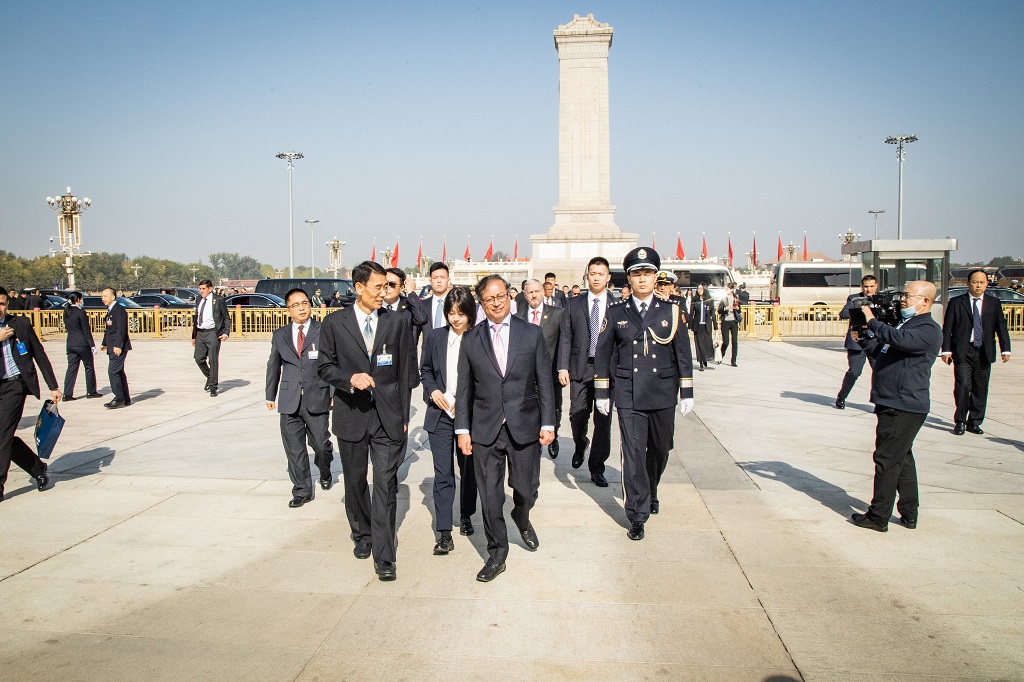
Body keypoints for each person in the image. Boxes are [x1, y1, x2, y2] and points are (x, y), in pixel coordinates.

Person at [318, 260, 415, 582]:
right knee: (356, 481)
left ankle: (384, 555)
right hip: (351, 415)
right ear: (359, 288)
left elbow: (405, 374)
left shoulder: (397, 321)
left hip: (387, 416)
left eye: (388, 287)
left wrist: (402, 415)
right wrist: (349, 378)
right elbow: (325, 368)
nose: (384, 293)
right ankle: (362, 535)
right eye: (378, 287)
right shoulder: (334, 324)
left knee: (386, 484)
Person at [456, 275, 555, 582]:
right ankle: (497, 553)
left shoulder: (531, 334)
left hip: (524, 424)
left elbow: (544, 382)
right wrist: (463, 430)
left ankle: (522, 515)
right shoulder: (471, 339)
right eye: (489, 299)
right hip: (485, 428)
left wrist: (548, 422)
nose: (496, 303)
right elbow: (464, 389)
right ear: (481, 303)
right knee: (490, 495)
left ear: (511, 297)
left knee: (526, 489)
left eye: (501, 297)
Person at [594, 247, 694, 540]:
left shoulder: (671, 311)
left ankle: (651, 488)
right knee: (634, 454)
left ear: (655, 277)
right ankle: (637, 513)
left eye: (647, 273)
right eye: (636, 274)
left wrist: (686, 391)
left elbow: (682, 354)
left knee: (661, 449)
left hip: (662, 391)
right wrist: (603, 391)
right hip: (629, 393)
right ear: (629, 279)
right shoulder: (615, 313)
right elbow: (603, 354)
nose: (642, 279)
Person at [850, 281, 941, 531]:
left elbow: (898, 339)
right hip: (892, 400)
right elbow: (885, 352)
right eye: (902, 295)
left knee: (887, 459)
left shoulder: (927, 329)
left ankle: (878, 516)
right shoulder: (906, 325)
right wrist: (864, 340)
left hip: (904, 404)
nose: (902, 300)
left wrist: (872, 321)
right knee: (902, 458)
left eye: (908, 296)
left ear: (925, 302)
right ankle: (909, 512)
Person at [420, 286, 479, 553]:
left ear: (470, 313)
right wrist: (433, 391)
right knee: (443, 474)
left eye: (461, 313)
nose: (456, 319)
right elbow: (426, 370)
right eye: (451, 313)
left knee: (468, 471)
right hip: (440, 416)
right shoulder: (434, 337)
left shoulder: (480, 337)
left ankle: (466, 514)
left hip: (470, 417)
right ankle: (444, 531)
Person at [266, 288, 335, 508]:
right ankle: (301, 490)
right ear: (288, 310)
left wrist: (333, 393)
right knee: (294, 449)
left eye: (304, 303)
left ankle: (325, 470)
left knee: (322, 445)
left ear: (310, 305)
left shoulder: (323, 331)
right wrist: (270, 395)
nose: (301, 308)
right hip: (289, 399)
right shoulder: (280, 335)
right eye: (296, 305)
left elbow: (333, 364)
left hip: (317, 396)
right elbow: (273, 366)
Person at [557, 257, 615, 484]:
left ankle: (597, 467)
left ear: (608, 277)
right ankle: (580, 444)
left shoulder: (617, 305)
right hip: (580, 368)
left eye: (601, 273)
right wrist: (563, 366)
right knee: (577, 414)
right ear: (587, 276)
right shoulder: (573, 304)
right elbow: (566, 338)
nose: (597, 277)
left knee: (603, 419)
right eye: (593, 273)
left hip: (606, 370)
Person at [0, 289, 61, 501]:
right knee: (4, 438)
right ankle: (38, 468)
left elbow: (39, 354)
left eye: (2, 303)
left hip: (14, 386)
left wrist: (53, 386)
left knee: (3, 435)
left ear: (8, 303)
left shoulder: (20, 324)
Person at [940, 269, 1011, 435]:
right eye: (975, 282)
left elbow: (1001, 327)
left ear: (987, 284)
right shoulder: (957, 302)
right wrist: (946, 350)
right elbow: (948, 328)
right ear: (968, 283)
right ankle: (960, 421)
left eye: (981, 282)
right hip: (963, 351)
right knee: (963, 386)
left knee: (980, 387)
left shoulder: (993, 303)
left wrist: (1005, 349)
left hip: (984, 351)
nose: (978, 285)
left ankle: (975, 421)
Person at [517, 279, 564, 459]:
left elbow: (564, 343)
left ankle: (554, 436)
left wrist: (563, 368)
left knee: (554, 408)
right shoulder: (518, 317)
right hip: (527, 375)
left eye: (537, 291)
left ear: (543, 292)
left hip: (551, 373)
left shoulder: (557, 314)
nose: (534, 295)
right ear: (525, 295)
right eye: (530, 292)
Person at [836, 275, 878, 409]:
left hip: (876, 341)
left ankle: (878, 402)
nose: (868, 289)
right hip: (857, 341)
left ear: (876, 286)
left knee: (879, 372)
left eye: (871, 286)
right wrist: (861, 307)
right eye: (866, 286)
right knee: (854, 372)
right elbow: (843, 314)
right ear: (862, 286)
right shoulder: (854, 298)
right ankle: (842, 396)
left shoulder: (881, 299)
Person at [192, 280, 230, 397]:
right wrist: (194, 336)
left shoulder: (218, 300)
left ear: (210, 289)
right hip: (200, 333)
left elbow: (226, 318)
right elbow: (196, 318)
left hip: (213, 333)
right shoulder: (199, 299)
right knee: (198, 359)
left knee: (213, 360)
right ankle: (209, 376)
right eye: (200, 289)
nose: (201, 291)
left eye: (203, 289)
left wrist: (225, 333)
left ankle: (213, 386)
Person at [61, 292, 100, 400]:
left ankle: (67, 394)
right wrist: (92, 345)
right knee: (89, 367)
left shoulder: (66, 312)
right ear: (78, 299)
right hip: (82, 344)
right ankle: (91, 391)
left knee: (71, 369)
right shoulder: (80, 312)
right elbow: (86, 330)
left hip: (71, 344)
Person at [100, 287, 131, 408]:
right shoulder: (111, 310)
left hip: (118, 346)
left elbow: (121, 329)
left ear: (113, 297)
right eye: (102, 297)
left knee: (112, 371)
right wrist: (104, 343)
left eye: (105, 296)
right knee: (119, 372)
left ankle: (118, 398)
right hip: (112, 345)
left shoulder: (119, 310)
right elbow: (109, 329)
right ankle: (125, 398)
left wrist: (118, 345)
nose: (103, 299)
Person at [416, 261, 453, 343]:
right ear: (430, 281)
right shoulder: (422, 305)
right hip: (428, 354)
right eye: (435, 278)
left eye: (442, 277)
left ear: (448, 281)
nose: (439, 281)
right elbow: (414, 336)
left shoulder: (455, 304)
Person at [689, 283, 717, 370]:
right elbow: (691, 314)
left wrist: (715, 326)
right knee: (699, 345)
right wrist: (689, 326)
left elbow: (712, 313)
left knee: (707, 344)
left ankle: (705, 358)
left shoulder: (709, 300)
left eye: (701, 289)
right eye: (698, 289)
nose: (699, 290)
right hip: (698, 325)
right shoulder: (695, 300)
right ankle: (701, 362)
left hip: (706, 325)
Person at [717, 282, 740, 367]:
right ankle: (721, 355)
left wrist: (737, 308)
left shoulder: (736, 298)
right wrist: (725, 308)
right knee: (726, 342)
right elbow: (719, 311)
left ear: (731, 289)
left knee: (734, 342)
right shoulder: (724, 299)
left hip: (734, 321)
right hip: (725, 321)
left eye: (728, 289)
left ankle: (733, 360)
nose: (726, 291)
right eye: (726, 289)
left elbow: (739, 310)